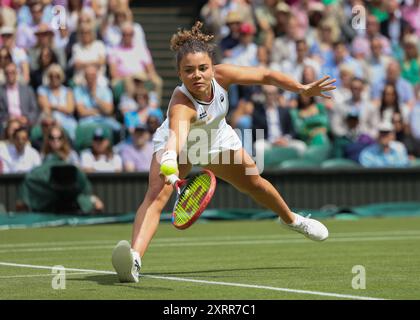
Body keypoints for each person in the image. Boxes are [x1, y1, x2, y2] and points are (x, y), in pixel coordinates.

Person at [111, 22, 336, 283]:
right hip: (181, 149)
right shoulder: (181, 105)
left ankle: (293, 220)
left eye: (203, 68)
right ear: (179, 74)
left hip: (219, 140)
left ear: (211, 67)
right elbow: (177, 137)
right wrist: (169, 161)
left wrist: (301, 88)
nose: (197, 75)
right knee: (155, 198)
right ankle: (134, 259)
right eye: (189, 70)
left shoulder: (223, 75)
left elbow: (264, 76)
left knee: (255, 181)